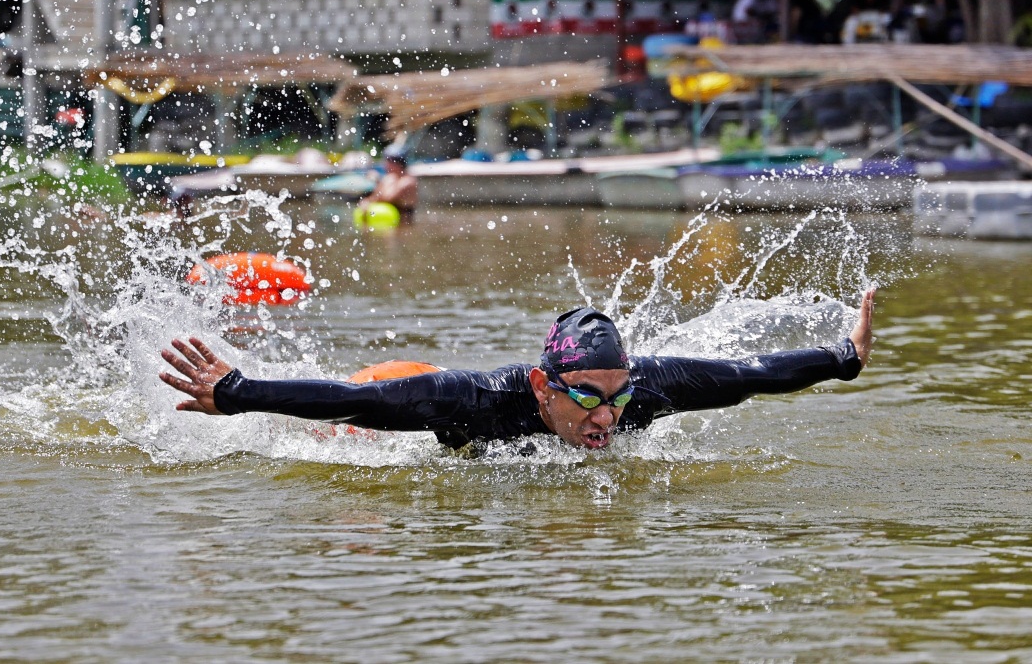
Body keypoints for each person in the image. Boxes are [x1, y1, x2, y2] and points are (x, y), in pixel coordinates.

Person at [158, 290, 876, 451]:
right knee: (358, 440)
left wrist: (843, 358)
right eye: (589, 400)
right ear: (543, 385)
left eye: (616, 397)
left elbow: (750, 372)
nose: (608, 417)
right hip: (410, 390)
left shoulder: (638, 392)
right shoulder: (475, 399)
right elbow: (350, 399)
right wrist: (238, 391)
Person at [357, 151, 418, 220]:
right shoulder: (389, 178)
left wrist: (378, 181)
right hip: (387, 219)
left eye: (388, 162)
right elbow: (375, 196)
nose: (385, 165)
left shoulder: (408, 181)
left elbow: (388, 198)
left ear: (397, 164)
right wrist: (366, 201)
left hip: (403, 222)